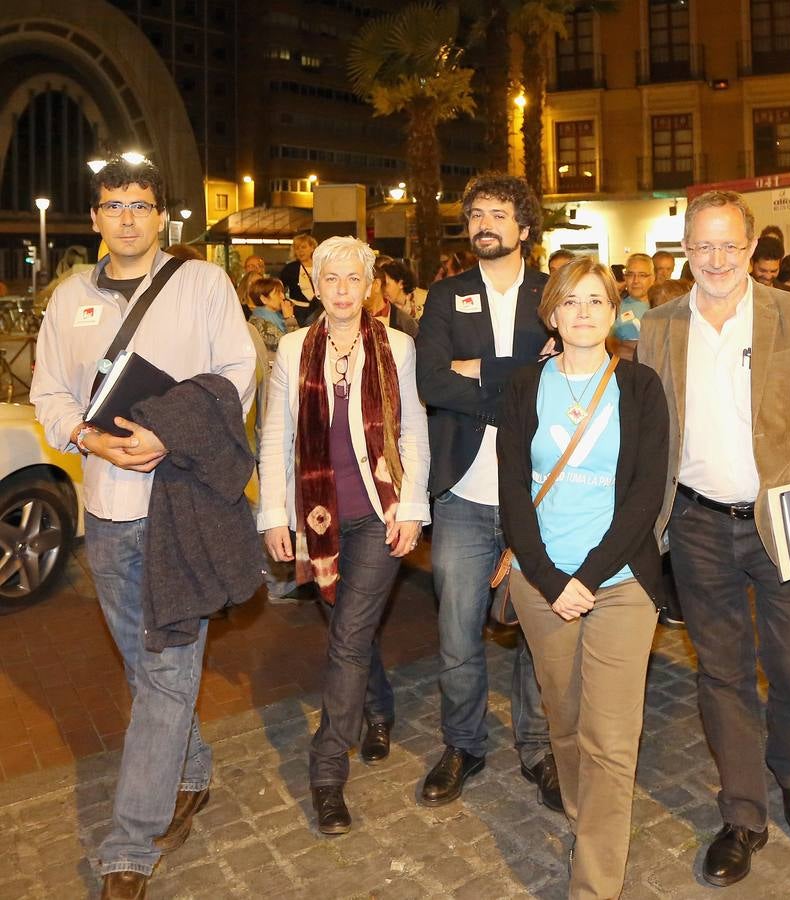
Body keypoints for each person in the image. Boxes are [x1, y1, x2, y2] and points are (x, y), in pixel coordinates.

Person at [30, 155, 257, 899]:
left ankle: (128, 847)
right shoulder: (69, 298)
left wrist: (168, 434)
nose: (127, 216)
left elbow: (236, 371)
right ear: (95, 217)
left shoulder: (202, 284)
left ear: (162, 217)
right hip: (107, 513)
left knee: (161, 672)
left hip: (181, 508)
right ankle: (190, 772)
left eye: (140, 204)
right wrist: (88, 439)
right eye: (112, 204)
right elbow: (49, 392)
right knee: (144, 665)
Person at [639, 190, 790, 888]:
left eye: (729, 245)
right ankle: (742, 813)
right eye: (702, 246)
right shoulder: (659, 324)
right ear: (686, 250)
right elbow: (648, 437)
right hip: (698, 526)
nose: (716, 259)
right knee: (721, 673)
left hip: (783, 521)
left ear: (750, 249)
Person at [498, 255, 669, 899]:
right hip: (542, 582)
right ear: (552, 314)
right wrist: (547, 577)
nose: (585, 312)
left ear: (615, 309)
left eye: (597, 300)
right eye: (571, 301)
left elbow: (646, 495)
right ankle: (580, 813)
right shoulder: (522, 388)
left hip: (620, 582)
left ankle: (594, 883)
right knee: (565, 722)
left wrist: (589, 577)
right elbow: (512, 490)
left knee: (610, 739)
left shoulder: (641, 387)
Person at [258, 236, 431, 834]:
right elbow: (277, 437)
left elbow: (412, 432)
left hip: (378, 516)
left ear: (370, 285)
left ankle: (327, 768)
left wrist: (410, 506)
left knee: (349, 636)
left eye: (352, 279)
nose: (340, 289)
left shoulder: (399, 347)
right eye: (329, 278)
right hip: (318, 518)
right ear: (313, 283)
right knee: (345, 626)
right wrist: (274, 516)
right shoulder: (290, 348)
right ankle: (378, 709)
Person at [415, 173, 561, 812]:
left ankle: (537, 746)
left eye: (498, 213)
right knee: (456, 629)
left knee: (539, 624)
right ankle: (463, 744)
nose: (484, 223)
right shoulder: (446, 296)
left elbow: (568, 373)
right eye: (476, 212)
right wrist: (520, 378)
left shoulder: (553, 294)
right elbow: (430, 382)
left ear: (524, 228)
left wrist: (478, 371)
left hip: (539, 493)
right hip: (463, 495)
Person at [608, 252, 654, 361]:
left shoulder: (663, 305)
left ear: (653, 278)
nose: (635, 280)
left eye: (642, 275)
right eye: (630, 274)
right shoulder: (613, 308)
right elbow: (611, 347)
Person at [248, 276, 298, 353]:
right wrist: (290, 318)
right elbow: (292, 346)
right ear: (264, 299)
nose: (283, 296)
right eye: (278, 293)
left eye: (282, 292)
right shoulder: (260, 323)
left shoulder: (277, 316)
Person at [281, 233, 321, 325]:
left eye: (303, 247)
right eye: (297, 248)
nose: (300, 251)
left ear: (312, 248)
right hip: (298, 311)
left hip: (318, 309)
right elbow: (280, 288)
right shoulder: (289, 268)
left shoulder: (321, 266)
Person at [377, 258, 427, 322]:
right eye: (381, 285)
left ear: (400, 283)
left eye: (386, 284)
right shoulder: (384, 309)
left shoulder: (424, 299)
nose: (383, 289)